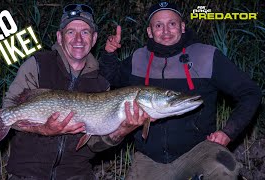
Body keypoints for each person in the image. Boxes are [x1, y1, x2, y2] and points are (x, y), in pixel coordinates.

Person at [100, 1, 262, 180]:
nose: (166, 31)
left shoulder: (207, 56)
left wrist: (228, 132)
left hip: (198, 151)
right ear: (150, 32)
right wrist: (109, 54)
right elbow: (111, 80)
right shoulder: (138, 59)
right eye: (158, 25)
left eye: (172, 24)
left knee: (224, 168)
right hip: (150, 158)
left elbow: (250, 92)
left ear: (182, 27)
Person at [2, 4, 149, 180]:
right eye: (71, 32)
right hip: (28, 173)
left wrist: (122, 130)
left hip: (76, 174)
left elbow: (96, 143)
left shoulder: (101, 84)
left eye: (85, 32)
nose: (78, 39)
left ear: (94, 39)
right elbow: (9, 111)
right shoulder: (38, 64)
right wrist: (43, 129)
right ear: (59, 37)